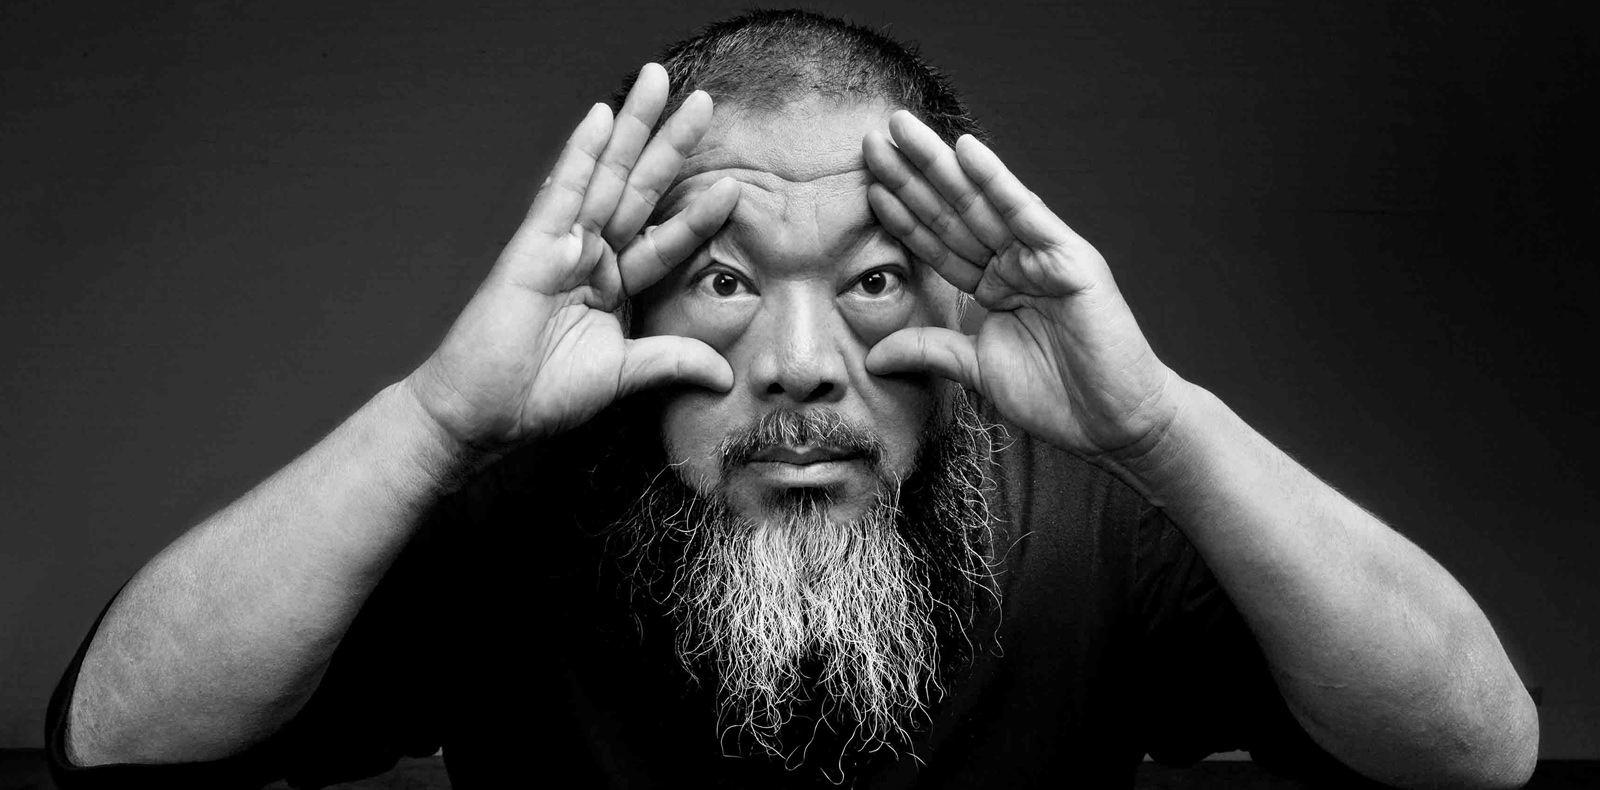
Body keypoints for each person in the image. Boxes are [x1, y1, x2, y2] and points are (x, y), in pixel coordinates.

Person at [46, 10, 1537, 789]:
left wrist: (1159, 424)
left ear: (951, 292)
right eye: (726, 279)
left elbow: (1477, 751)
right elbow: (119, 736)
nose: (804, 361)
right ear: (631, 300)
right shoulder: (509, 515)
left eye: (874, 279)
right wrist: (435, 418)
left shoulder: (1093, 523)